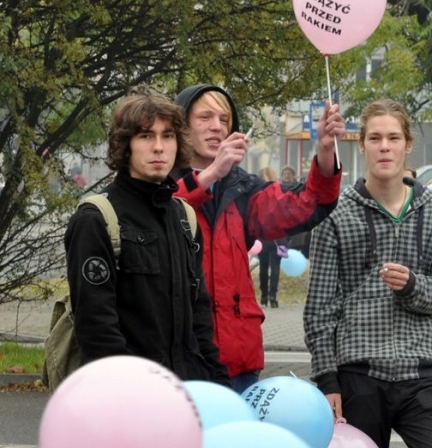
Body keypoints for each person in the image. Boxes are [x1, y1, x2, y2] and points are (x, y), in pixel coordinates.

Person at [304, 99, 432, 448]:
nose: (385, 147)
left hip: (421, 370)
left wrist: (413, 286)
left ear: (408, 145)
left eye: (393, 138)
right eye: (375, 138)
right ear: (362, 146)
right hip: (358, 373)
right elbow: (320, 307)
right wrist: (327, 380)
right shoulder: (335, 214)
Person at [172, 84, 343, 393]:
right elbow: (162, 210)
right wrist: (210, 175)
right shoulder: (161, 183)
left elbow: (305, 204)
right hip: (177, 365)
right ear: (181, 126)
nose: (217, 126)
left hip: (237, 365)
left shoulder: (241, 189)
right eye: (205, 117)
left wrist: (326, 150)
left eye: (224, 119)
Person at [64, 88, 229, 385]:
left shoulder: (184, 217)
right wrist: (135, 394)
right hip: (130, 399)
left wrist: (219, 385)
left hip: (187, 391)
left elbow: (200, 319)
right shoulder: (97, 219)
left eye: (167, 136)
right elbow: (97, 329)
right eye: (145, 136)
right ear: (125, 145)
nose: (159, 147)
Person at [256, 167, 283, 308]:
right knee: (275, 266)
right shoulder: (280, 191)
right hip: (279, 236)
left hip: (264, 236)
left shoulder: (259, 192)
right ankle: (273, 296)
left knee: (264, 266)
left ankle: (264, 296)